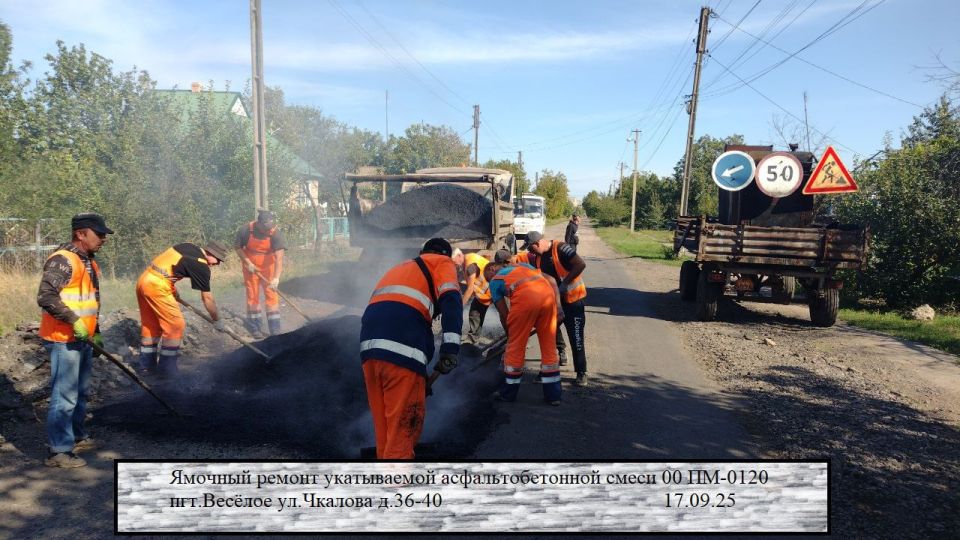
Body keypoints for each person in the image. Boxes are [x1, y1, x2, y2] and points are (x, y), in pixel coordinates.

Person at [360, 238, 463, 459]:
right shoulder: (442, 263)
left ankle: (384, 472)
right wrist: (450, 348)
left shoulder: (401, 267)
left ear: (421, 251)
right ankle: (398, 485)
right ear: (446, 256)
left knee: (385, 426)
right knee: (405, 424)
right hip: (403, 349)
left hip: (370, 351)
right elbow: (453, 302)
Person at [37, 212, 114, 468]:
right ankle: (59, 451)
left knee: (80, 392)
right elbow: (46, 296)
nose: (103, 238)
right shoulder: (63, 260)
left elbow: (91, 302)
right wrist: (74, 321)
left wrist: (97, 330)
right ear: (81, 234)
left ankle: (77, 436)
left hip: (83, 337)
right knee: (65, 395)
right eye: (99, 234)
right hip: (63, 338)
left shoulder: (89, 261)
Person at [136, 241, 228, 377]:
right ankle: (166, 371)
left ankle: (146, 368)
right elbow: (207, 299)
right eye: (218, 259)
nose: (217, 264)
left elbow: (167, 268)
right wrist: (217, 320)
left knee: (152, 327)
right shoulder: (201, 265)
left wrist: (172, 290)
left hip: (144, 281)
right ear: (210, 253)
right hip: (157, 287)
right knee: (176, 325)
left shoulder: (188, 246)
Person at [485, 249, 563, 405]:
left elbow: (503, 313)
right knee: (549, 346)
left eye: (488, 278)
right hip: (547, 298)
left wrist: (511, 335)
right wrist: (559, 308)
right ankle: (553, 396)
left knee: (515, 348)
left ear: (492, 269)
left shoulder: (495, 281)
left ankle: (508, 394)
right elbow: (552, 280)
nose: (489, 281)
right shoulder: (525, 267)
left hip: (526, 302)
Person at [522, 230, 590, 386]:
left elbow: (581, 264)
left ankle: (581, 373)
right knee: (548, 335)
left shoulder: (561, 248)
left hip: (574, 302)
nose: (530, 252)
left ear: (537, 243)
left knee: (576, 338)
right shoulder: (538, 258)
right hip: (554, 303)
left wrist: (565, 283)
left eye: (531, 248)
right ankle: (548, 370)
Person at [235, 210, 286, 337]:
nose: (269, 230)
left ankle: (275, 329)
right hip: (250, 267)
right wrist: (248, 263)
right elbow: (238, 248)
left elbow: (279, 258)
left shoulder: (275, 233)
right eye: (266, 228)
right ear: (259, 224)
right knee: (253, 295)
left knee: (271, 296)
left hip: (269, 266)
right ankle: (255, 327)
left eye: (270, 227)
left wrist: (276, 278)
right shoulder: (246, 230)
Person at [461, 251, 492, 349]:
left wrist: (459, 307)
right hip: (485, 294)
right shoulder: (469, 260)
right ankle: (472, 340)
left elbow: (469, 290)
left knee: (507, 316)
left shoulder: (471, 266)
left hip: (496, 290)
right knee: (475, 311)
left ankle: (514, 339)